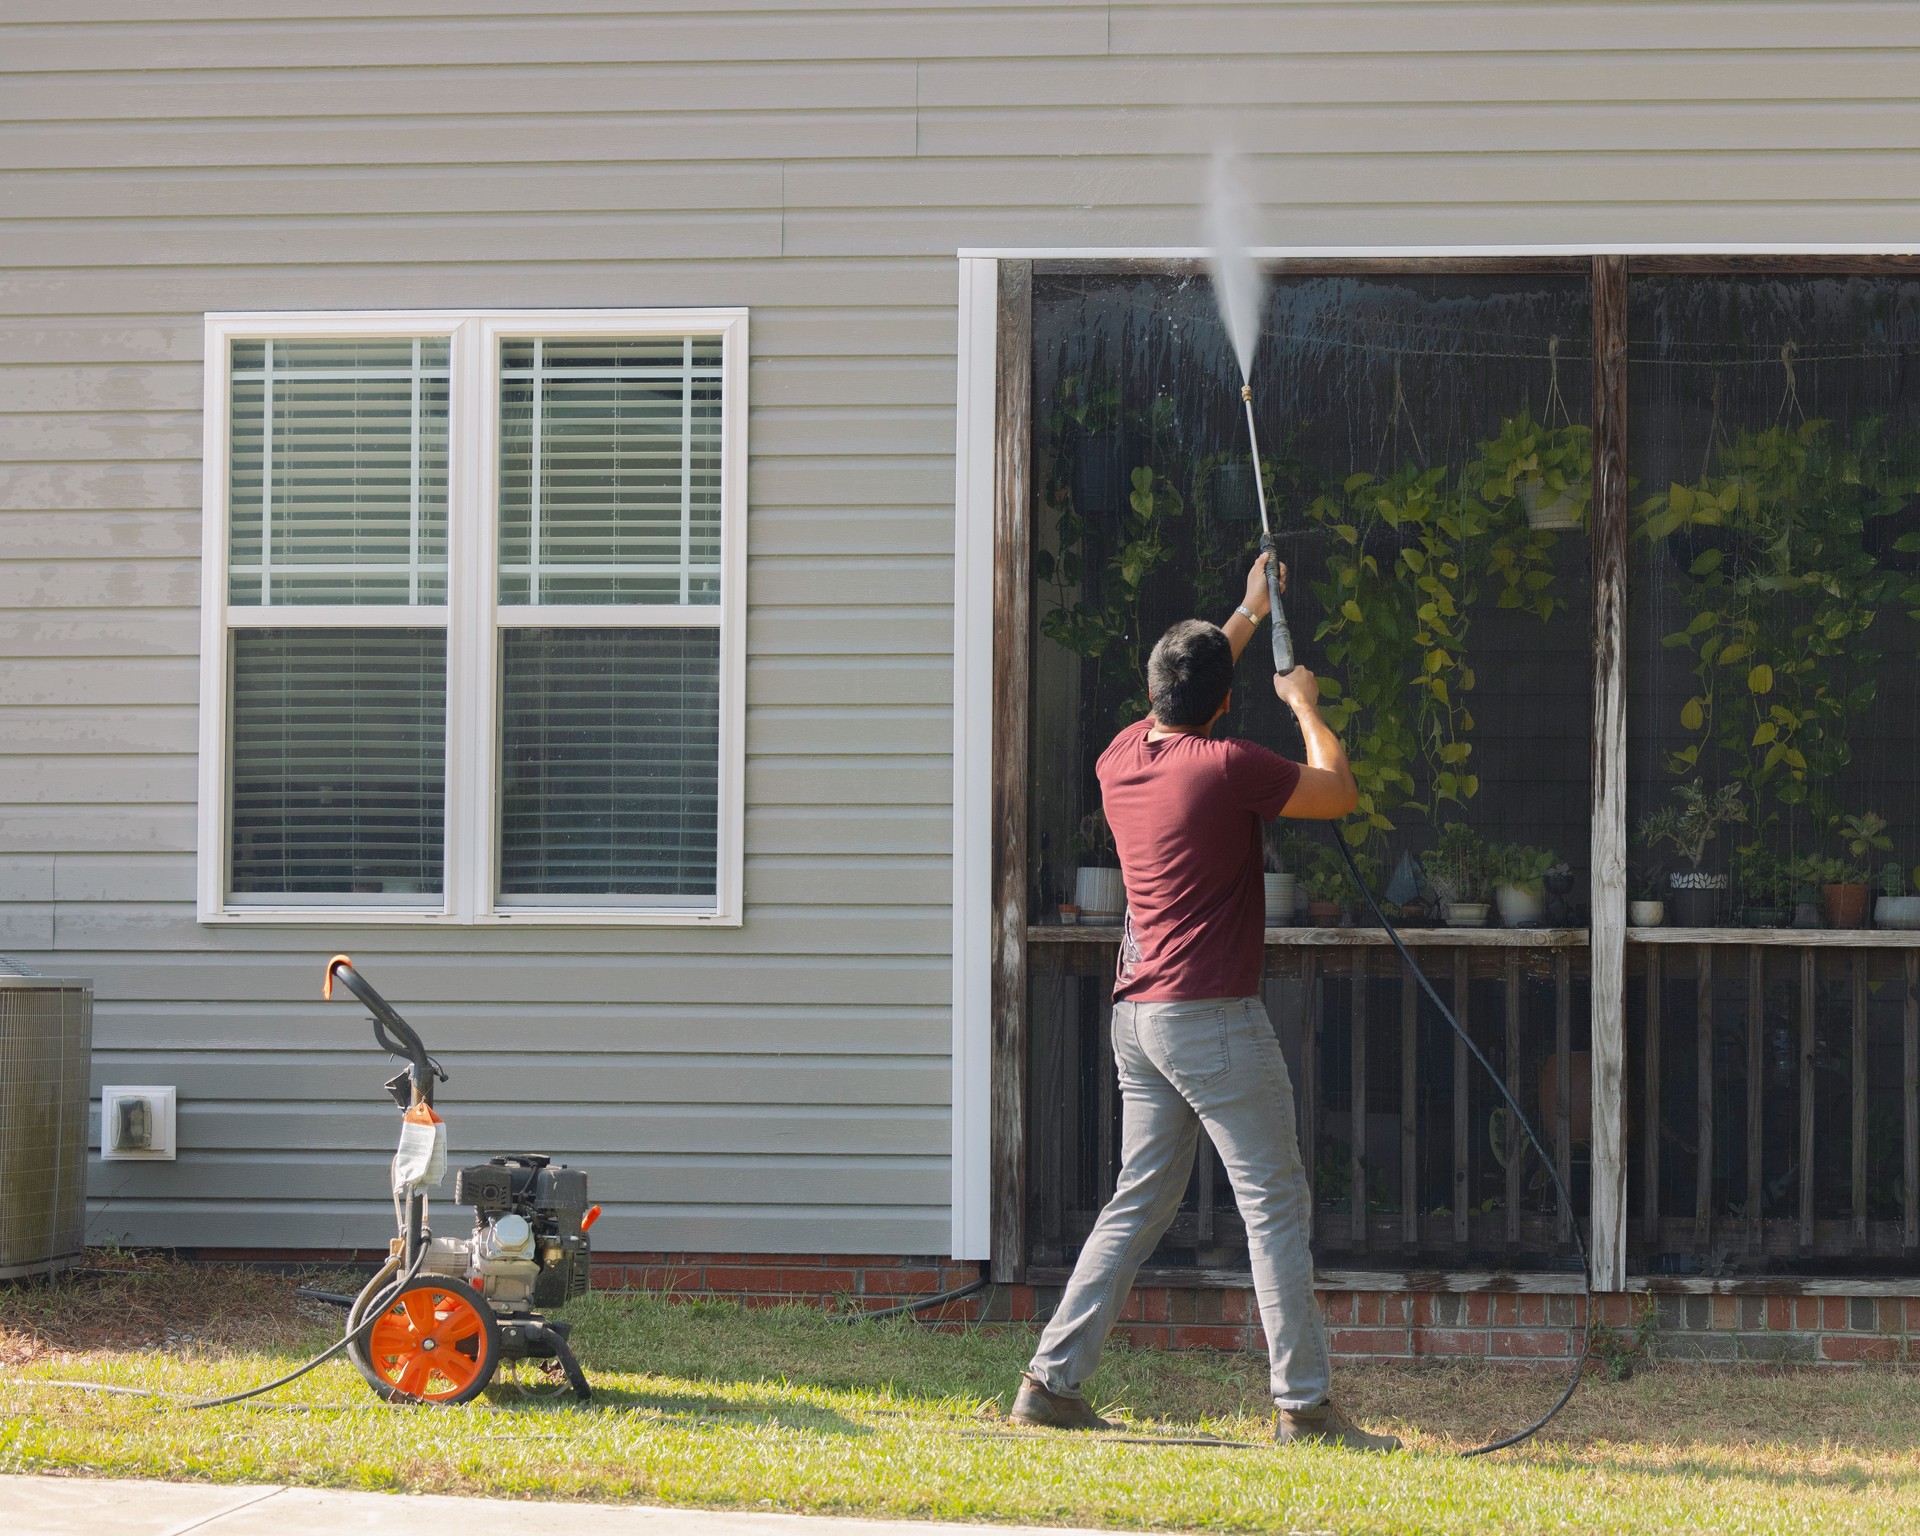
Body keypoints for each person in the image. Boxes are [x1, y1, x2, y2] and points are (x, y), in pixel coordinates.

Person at [1009, 552, 1400, 1453]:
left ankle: (1051, 1384)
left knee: (1137, 1201)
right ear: (1227, 704)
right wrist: (1302, 701)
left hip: (1137, 1019)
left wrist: (1248, 613)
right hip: (1212, 1017)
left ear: (1157, 691)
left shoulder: (1121, 756)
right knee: (1275, 1202)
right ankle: (1304, 1408)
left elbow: (1191, 679)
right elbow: (1338, 790)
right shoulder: (1230, 767)